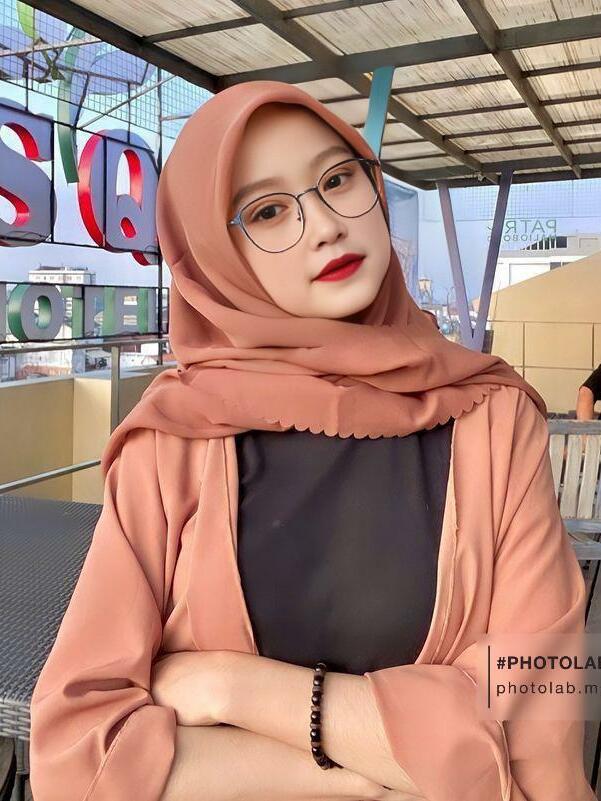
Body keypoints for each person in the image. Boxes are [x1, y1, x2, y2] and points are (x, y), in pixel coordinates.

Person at [28, 81, 594, 801]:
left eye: (336, 180)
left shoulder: (494, 417)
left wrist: (232, 687)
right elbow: (78, 756)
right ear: (214, 255)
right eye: (267, 211)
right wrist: (378, 779)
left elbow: (538, 722)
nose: (324, 225)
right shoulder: (173, 441)